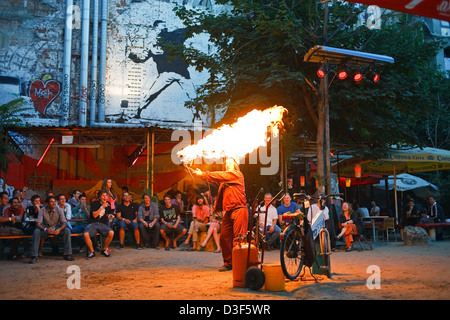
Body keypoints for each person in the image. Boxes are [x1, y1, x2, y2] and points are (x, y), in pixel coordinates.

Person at [192, 157, 248, 272]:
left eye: (230, 164)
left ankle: (240, 265)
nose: (227, 165)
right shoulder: (225, 180)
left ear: (235, 165)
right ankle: (228, 263)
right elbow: (215, 178)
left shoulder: (237, 174)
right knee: (224, 237)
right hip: (228, 211)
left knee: (239, 238)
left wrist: (204, 173)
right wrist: (200, 174)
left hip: (239, 209)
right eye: (226, 164)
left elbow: (221, 175)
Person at [29, 196, 74, 263]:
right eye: (52, 202)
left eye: (54, 202)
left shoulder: (59, 209)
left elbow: (64, 223)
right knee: (36, 231)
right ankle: (34, 256)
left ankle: (67, 254)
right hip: (45, 228)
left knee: (67, 230)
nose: (54, 203)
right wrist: (45, 229)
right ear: (47, 204)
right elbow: (38, 224)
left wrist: (59, 229)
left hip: (56, 227)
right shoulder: (42, 210)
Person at [83, 190, 115, 259]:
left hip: (101, 224)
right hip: (93, 223)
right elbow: (94, 215)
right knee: (86, 234)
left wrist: (110, 215)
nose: (105, 197)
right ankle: (92, 252)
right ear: (99, 197)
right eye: (103, 196)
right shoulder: (94, 203)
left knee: (111, 232)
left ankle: (104, 249)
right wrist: (102, 207)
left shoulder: (108, 204)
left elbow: (106, 215)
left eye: (106, 196)